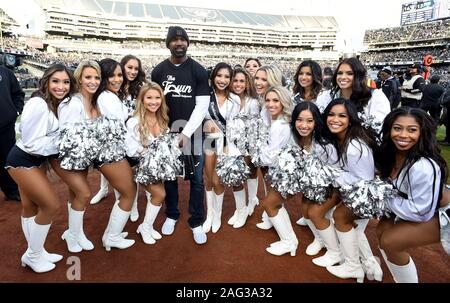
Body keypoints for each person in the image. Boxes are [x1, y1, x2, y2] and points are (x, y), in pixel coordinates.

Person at [6, 64, 76, 273]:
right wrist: (63, 143)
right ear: (46, 81)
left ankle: (36, 250)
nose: (61, 86)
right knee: (51, 205)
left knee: (30, 207)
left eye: (65, 82)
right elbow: (31, 141)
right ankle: (33, 255)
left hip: (34, 161)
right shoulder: (37, 103)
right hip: (22, 160)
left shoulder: (55, 104)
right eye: (55, 81)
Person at [151, 26, 210, 244]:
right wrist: (161, 130)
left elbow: (202, 106)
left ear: (188, 43)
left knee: (196, 179)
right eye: (174, 40)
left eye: (183, 40)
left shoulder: (198, 70)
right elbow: (154, 103)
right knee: (169, 177)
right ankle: (172, 214)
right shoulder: (158, 71)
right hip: (166, 133)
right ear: (167, 43)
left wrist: (185, 133)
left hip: (192, 135)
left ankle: (196, 220)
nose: (179, 43)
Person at [376, 107, 448, 283]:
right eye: (397, 128)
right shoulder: (392, 154)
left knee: (391, 241)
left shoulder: (423, 166)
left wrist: (383, 196)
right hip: (423, 206)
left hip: (442, 213)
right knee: (382, 231)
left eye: (412, 130)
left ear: (422, 133)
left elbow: (420, 212)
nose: (403, 135)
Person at [314, 99, 379, 283]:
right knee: (349, 225)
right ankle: (367, 264)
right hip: (353, 191)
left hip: (364, 195)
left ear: (351, 120)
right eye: (331, 115)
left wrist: (330, 174)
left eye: (342, 116)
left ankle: (355, 266)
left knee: (342, 218)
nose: (335, 119)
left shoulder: (354, 147)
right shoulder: (340, 139)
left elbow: (364, 181)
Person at [263, 101, 335, 257]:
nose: (304, 125)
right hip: (296, 179)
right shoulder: (291, 135)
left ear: (316, 122)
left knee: (309, 210)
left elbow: (333, 174)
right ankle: (289, 242)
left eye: (310, 121)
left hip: (322, 186)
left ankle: (322, 241)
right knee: (270, 203)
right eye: (299, 120)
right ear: (294, 120)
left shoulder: (324, 144)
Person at [51, 60, 102, 253]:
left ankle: (76, 232)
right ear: (79, 79)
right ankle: (72, 235)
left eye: (96, 77)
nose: (93, 81)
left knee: (75, 194)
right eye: (88, 77)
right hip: (65, 156)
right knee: (83, 193)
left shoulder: (94, 101)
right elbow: (66, 137)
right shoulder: (72, 102)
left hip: (82, 157)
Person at [90, 55, 147, 224]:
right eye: (129, 68)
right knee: (123, 182)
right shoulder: (109, 94)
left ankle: (129, 207)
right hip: (117, 143)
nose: (132, 71)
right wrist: (136, 148)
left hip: (130, 136)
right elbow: (117, 125)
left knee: (128, 179)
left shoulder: (136, 88)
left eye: (136, 69)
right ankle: (109, 195)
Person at [94, 58, 137, 251]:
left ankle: (112, 233)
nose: (117, 79)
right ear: (104, 77)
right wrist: (136, 149)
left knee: (127, 191)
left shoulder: (111, 95)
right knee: (128, 192)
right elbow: (118, 129)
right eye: (112, 75)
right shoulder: (105, 97)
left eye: (119, 75)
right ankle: (111, 236)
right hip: (110, 153)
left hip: (114, 151)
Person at [125, 82, 171, 245]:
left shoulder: (163, 119)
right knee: (160, 194)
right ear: (142, 100)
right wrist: (147, 151)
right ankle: (145, 227)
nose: (154, 101)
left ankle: (147, 226)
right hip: (141, 167)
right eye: (149, 98)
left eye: (157, 97)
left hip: (158, 167)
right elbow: (130, 149)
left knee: (156, 195)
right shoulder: (134, 122)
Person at [202, 62, 243, 233]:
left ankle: (217, 215)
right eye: (219, 75)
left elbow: (235, 123)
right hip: (209, 141)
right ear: (213, 77)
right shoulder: (204, 96)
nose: (222, 80)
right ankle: (209, 216)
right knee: (208, 179)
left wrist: (228, 142)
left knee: (218, 181)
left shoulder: (235, 99)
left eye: (227, 76)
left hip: (226, 143)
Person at [291, 59, 324, 227]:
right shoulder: (295, 96)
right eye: (301, 73)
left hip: (317, 144)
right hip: (300, 143)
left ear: (316, 76)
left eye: (308, 74)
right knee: (304, 181)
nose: (304, 77)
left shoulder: (323, 96)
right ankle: (308, 216)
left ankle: (318, 224)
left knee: (315, 183)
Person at [230, 67, 260, 218]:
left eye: (242, 81)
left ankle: (252, 199)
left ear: (247, 83)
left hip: (249, 142)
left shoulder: (253, 102)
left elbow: (254, 126)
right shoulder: (228, 99)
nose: (238, 84)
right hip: (231, 144)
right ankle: (240, 209)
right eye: (235, 80)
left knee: (251, 170)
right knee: (235, 175)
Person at [0, 64, 24, 201]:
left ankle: (12, 190)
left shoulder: (6, 73)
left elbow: (18, 94)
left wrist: (15, 111)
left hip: (5, 127)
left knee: (7, 159)